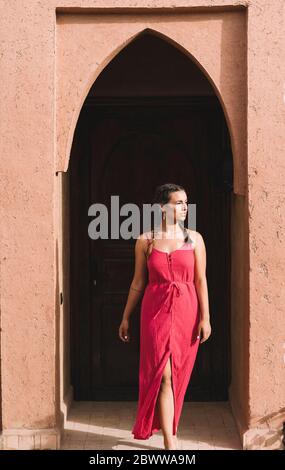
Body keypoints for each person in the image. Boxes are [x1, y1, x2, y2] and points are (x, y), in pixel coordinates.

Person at [118, 183, 211, 450]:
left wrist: (206, 318)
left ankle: (170, 427)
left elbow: (200, 280)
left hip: (186, 311)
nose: (184, 207)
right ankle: (171, 439)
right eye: (177, 202)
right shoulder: (145, 241)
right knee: (162, 374)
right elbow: (138, 282)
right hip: (154, 311)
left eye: (185, 202)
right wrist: (126, 316)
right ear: (161, 207)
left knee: (178, 373)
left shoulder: (195, 239)